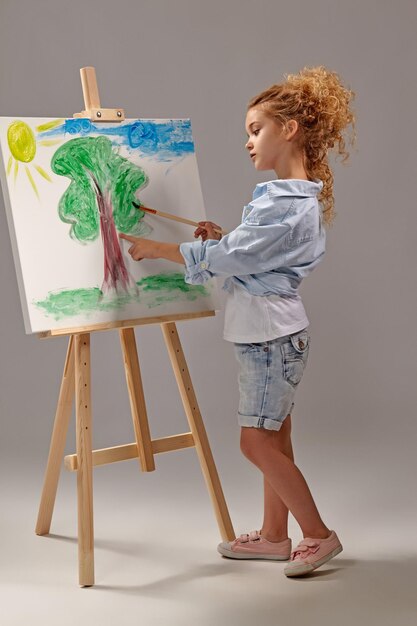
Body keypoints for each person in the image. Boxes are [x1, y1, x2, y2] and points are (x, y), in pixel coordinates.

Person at [120, 65, 355, 577]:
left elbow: (235, 258)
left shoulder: (287, 204)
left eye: (256, 129)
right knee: (275, 439)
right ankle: (275, 537)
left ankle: (317, 534)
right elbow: (249, 253)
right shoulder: (285, 200)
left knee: (255, 443)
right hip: (271, 331)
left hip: (270, 335)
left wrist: (165, 248)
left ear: (288, 129)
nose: (248, 142)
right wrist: (222, 241)